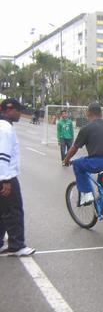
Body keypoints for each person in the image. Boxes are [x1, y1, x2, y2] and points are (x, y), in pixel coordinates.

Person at [63, 103, 103, 206]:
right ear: (101, 113)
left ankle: (87, 194)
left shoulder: (86, 128)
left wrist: (66, 160)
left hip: (98, 163)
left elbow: (74, 148)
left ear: (88, 113)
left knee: (78, 164)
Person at [0, 98, 35, 256]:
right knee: (14, 210)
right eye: (18, 110)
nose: (21, 113)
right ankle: (17, 245)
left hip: (3, 175)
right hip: (6, 176)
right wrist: (6, 179)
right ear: (9, 110)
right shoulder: (5, 128)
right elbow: (3, 155)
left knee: (2, 210)